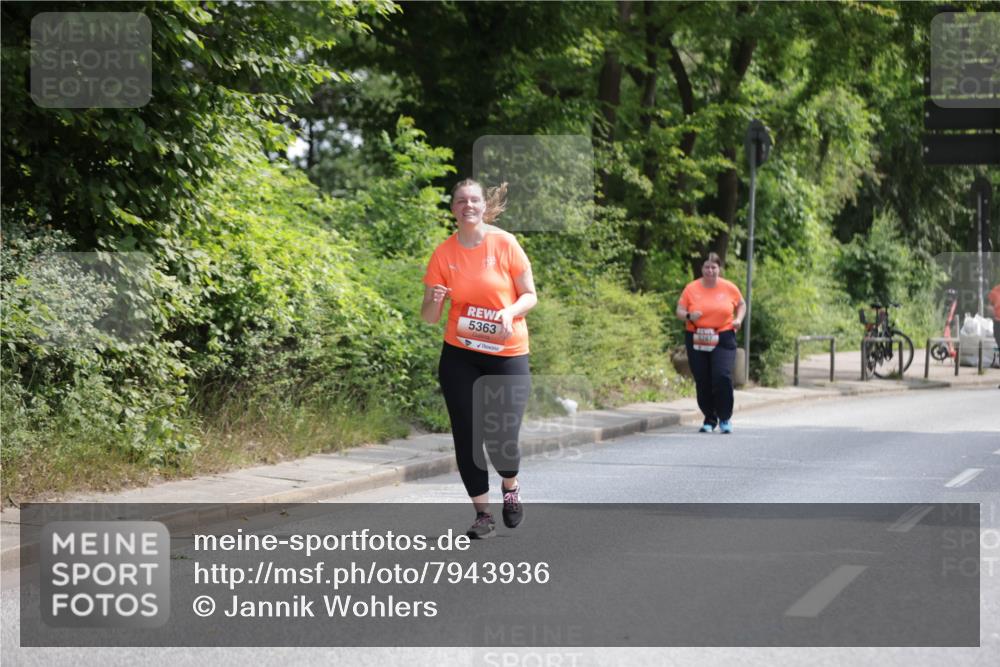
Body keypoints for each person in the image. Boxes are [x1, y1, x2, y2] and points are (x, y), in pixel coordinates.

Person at [422, 179, 537, 539]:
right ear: (453, 209)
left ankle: (510, 485)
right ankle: (482, 514)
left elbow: (530, 295)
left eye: (474, 200)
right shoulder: (444, 253)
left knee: (502, 436)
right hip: (460, 353)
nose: (468, 205)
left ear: (483, 206)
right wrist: (436, 300)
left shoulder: (505, 243)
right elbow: (428, 316)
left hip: (507, 352)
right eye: (461, 201)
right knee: (467, 433)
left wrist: (509, 312)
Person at [675, 253, 747, 434]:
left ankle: (724, 417)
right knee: (702, 378)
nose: (710, 271)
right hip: (696, 336)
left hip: (723, 335)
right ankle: (709, 417)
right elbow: (679, 311)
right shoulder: (691, 288)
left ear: (719, 269)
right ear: (702, 269)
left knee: (722, 375)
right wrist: (690, 316)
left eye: (713, 267)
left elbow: (741, 304)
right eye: (707, 267)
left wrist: (738, 319)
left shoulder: (729, 287)